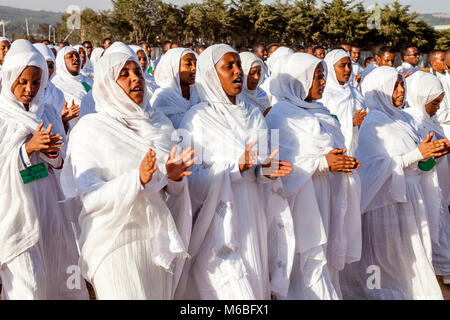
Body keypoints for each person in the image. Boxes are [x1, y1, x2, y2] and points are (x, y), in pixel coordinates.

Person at [61, 45, 195, 300]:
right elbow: (89, 196)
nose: (135, 78)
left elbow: (171, 192)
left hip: (156, 242)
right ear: (106, 85)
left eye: (138, 72)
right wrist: (137, 180)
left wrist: (175, 178)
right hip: (113, 243)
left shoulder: (160, 124)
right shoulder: (91, 130)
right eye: (124, 74)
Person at [176, 44, 295, 300]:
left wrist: (266, 171)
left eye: (238, 65)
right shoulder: (197, 119)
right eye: (228, 66)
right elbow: (191, 181)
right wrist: (234, 167)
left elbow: (262, 163)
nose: (237, 71)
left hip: (251, 215)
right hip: (216, 220)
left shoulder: (253, 114)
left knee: (253, 285)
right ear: (211, 74)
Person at [340, 66, 448, 300]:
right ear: (380, 91)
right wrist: (416, 155)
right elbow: (370, 170)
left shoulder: (404, 119)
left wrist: (430, 154)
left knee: (410, 264)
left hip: (410, 202)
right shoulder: (373, 124)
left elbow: (418, 163)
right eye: (395, 85)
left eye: (402, 84)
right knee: (380, 264)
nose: (401, 90)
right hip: (383, 206)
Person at [266, 52, 362, 300]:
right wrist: (321, 163)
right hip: (301, 202)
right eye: (316, 76)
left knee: (325, 259)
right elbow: (281, 165)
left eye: (322, 76)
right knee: (307, 260)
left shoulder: (320, 110)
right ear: (299, 80)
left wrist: (342, 161)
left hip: (327, 195)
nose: (322, 81)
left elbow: (335, 146)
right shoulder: (281, 115)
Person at [0, 39, 88, 300]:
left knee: (56, 271)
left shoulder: (47, 112)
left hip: (49, 205)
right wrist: (27, 149)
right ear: (9, 78)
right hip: (15, 211)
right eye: (22, 82)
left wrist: (51, 152)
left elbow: (61, 161)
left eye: (36, 83)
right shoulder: (2, 116)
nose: (29, 89)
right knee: (29, 285)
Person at [404, 71, 450, 285]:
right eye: (435, 103)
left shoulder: (429, 120)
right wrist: (436, 154)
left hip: (439, 189)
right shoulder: (412, 123)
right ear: (421, 98)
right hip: (423, 190)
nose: (438, 107)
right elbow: (420, 163)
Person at [319, 49, 367, 156]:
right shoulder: (324, 95)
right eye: (342, 65)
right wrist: (351, 123)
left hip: (356, 148)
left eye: (349, 65)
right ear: (331, 68)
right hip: (335, 152)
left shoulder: (354, 92)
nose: (347, 69)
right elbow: (324, 125)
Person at [33, 43, 79, 133]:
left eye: (51, 66)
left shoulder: (56, 93)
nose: (48, 70)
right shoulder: (23, 91)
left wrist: (63, 120)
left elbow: (62, 132)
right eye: (44, 65)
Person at [150, 47, 199, 128]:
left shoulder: (197, 94)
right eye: (188, 64)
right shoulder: (162, 99)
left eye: (195, 63)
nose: (194, 68)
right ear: (173, 68)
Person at [51, 46, 93, 130]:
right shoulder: (55, 83)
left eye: (77, 55)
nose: (75, 58)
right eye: (70, 56)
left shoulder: (88, 80)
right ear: (62, 61)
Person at [429, 50, 450, 138]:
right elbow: (440, 114)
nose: (445, 61)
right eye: (442, 59)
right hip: (445, 129)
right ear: (434, 64)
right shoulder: (432, 81)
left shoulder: (446, 76)